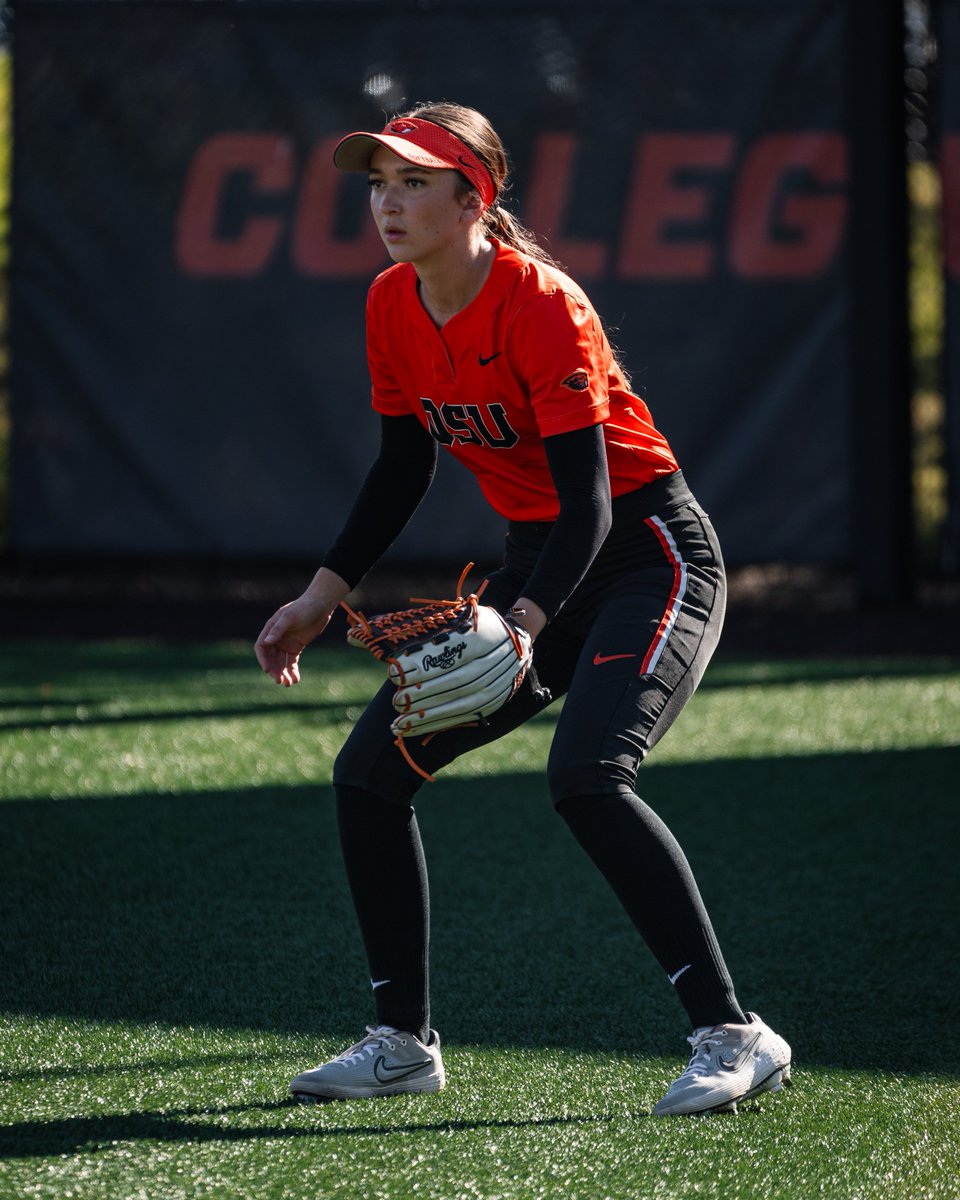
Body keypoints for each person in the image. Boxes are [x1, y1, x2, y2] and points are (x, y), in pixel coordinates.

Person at [255, 101, 791, 1116]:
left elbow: (592, 503)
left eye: (415, 182)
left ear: (474, 199)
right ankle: (401, 1044)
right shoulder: (391, 302)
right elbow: (403, 466)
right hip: (542, 563)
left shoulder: (541, 302)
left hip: (649, 556)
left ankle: (735, 1034)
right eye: (379, 183)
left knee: (588, 776)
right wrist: (321, 595)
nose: (388, 203)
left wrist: (524, 625)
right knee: (369, 773)